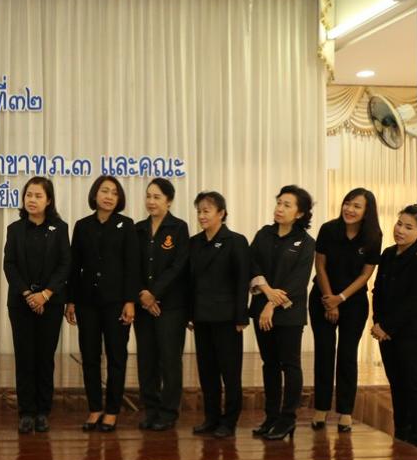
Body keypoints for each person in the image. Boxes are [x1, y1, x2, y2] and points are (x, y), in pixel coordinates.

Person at [65, 175, 139, 432]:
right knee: (89, 356)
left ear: (119, 199)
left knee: (117, 356)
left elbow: (132, 266)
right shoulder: (82, 226)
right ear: (95, 194)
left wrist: (130, 301)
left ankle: (112, 410)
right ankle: (95, 408)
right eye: (104, 191)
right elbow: (74, 266)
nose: (109, 196)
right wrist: (70, 300)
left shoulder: (126, 225)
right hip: (87, 302)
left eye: (114, 193)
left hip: (117, 302)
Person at [309, 188, 382, 433]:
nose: (349, 209)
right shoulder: (329, 229)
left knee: (347, 355)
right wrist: (329, 299)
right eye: (347, 203)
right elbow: (320, 265)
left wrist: (340, 299)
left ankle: (345, 412)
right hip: (322, 296)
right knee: (324, 352)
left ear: (367, 211)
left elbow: (366, 274)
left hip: (353, 302)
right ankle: (321, 408)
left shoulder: (373, 236)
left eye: (357, 206)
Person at [3, 176, 71, 434]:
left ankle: (43, 411)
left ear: (49, 200)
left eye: (38, 196)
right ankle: (26, 412)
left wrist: (45, 294)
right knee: (25, 357)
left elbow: (65, 265)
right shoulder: (15, 229)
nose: (32, 200)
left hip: (50, 303)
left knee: (44, 357)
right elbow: (9, 264)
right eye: (29, 195)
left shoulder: (60, 228)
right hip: (21, 303)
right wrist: (28, 294)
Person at [248, 186, 316, 441]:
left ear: (299, 213)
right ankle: (271, 416)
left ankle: (288, 419)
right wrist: (266, 291)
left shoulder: (306, 243)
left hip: (288, 313)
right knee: (270, 365)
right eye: (279, 203)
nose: (280, 208)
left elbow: (298, 281)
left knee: (290, 364)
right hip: (262, 309)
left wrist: (271, 305)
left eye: (287, 205)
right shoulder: (263, 234)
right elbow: (252, 264)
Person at [371, 204, 417, 449]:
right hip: (386, 332)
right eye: (399, 224)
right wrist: (377, 322)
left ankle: (416, 438)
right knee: (396, 384)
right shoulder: (388, 253)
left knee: (413, 385)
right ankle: (401, 434)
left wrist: (387, 326)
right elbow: (377, 291)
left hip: (412, 332)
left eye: (408, 227)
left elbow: (416, 298)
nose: (400, 230)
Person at [188, 191, 250, 439]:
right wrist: (190, 314)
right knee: (207, 372)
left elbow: (242, 281)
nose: (202, 216)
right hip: (202, 317)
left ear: (221, 213)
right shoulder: (194, 242)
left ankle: (230, 421)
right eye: (199, 211)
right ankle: (211, 417)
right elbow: (190, 281)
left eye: (207, 211)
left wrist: (241, 317)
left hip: (227, 318)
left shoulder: (236, 241)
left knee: (230, 373)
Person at [134, 178, 189, 431]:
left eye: (157, 197)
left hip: (171, 306)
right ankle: (151, 410)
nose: (151, 201)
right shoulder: (138, 229)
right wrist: (143, 296)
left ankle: (168, 412)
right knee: (146, 360)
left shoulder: (179, 228)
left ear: (169, 200)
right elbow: (131, 265)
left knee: (169, 360)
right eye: (148, 196)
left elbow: (178, 266)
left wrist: (154, 294)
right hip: (143, 306)